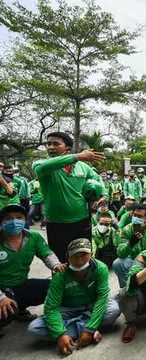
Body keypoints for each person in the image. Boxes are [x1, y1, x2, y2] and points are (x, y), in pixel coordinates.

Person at [28, 239, 120, 355]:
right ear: (68, 256)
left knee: (113, 310)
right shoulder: (60, 275)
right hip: (68, 309)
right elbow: (51, 308)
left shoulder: (100, 268)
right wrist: (60, 334)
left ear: (91, 255)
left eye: (84, 255)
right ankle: (86, 330)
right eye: (75, 256)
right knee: (35, 328)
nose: (80, 260)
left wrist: (89, 328)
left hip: (91, 305)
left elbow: (102, 298)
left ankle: (81, 329)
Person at [32, 132, 106, 263]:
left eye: (56, 144)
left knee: (83, 259)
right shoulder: (41, 165)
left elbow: (97, 178)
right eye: (48, 144)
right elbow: (45, 166)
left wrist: (103, 194)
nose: (50, 147)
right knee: (60, 262)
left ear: (67, 149)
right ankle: (60, 283)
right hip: (56, 223)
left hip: (82, 221)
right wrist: (78, 156)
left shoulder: (83, 167)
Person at [0, 205, 65, 337]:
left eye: (19, 217)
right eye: (8, 218)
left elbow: (47, 254)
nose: (14, 221)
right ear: (1, 222)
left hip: (22, 284)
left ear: (25, 220)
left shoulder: (33, 237)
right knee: (7, 311)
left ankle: (21, 310)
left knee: (57, 287)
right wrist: (1, 297)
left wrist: (56, 265)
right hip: (2, 288)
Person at [113, 204, 146, 288]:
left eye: (139, 216)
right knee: (118, 263)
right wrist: (130, 244)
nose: (135, 218)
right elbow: (120, 253)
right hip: (132, 259)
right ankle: (126, 288)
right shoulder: (127, 229)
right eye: (134, 215)